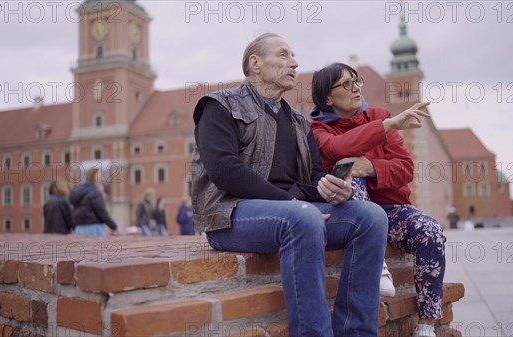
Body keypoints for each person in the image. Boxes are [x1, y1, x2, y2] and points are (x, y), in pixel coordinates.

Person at [191, 33, 388, 337]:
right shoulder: (219, 105)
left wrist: (332, 188)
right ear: (255, 63)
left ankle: (357, 332)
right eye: (283, 55)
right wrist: (293, 204)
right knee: (304, 217)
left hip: (294, 214)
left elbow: (312, 179)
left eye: (294, 56)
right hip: (228, 215)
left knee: (371, 217)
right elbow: (224, 171)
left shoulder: (298, 122)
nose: (294, 63)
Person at [310, 62, 446, 337]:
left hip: (392, 209)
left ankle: (426, 326)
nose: (356, 89)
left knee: (430, 232)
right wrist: (387, 127)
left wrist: (370, 166)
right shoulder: (317, 129)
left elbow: (405, 169)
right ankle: (379, 265)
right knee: (347, 167)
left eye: (356, 81)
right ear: (327, 97)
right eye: (346, 84)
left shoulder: (377, 115)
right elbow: (338, 148)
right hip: (352, 211)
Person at [70, 168, 118, 236]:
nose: (102, 178)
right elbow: (101, 211)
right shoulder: (95, 191)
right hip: (94, 227)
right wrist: (113, 226)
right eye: (101, 175)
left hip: (79, 228)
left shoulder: (77, 190)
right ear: (95, 176)